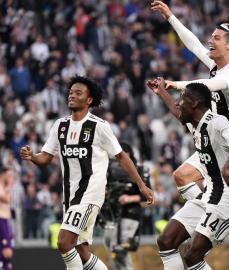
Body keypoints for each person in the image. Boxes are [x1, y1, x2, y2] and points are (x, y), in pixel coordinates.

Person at [151, 2, 229, 269]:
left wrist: (175, 85)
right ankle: (209, 211)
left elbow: (208, 86)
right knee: (181, 175)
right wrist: (170, 17)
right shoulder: (217, 65)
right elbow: (194, 44)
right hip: (214, 142)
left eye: (216, 38)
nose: (210, 40)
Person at [20, 75, 154, 270]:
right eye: (71, 92)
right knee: (81, 250)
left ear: (89, 100)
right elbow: (46, 158)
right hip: (70, 196)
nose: (72, 95)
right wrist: (32, 156)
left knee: (64, 242)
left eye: (78, 93)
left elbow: (122, 157)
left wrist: (142, 185)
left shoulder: (99, 127)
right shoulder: (60, 126)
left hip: (90, 195)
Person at [148, 79, 229, 270]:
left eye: (182, 99)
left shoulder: (215, 121)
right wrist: (161, 91)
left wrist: (227, 168)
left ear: (194, 103)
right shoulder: (194, 122)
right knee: (166, 240)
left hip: (227, 200)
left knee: (191, 255)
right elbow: (178, 113)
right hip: (209, 195)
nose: (178, 104)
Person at [102, 142, 151, 270]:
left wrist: (129, 198)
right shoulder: (111, 169)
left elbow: (148, 195)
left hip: (130, 213)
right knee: (111, 247)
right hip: (113, 214)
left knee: (120, 250)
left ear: (129, 154)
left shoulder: (139, 170)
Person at [0, 167, 15, 270]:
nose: (11, 178)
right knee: (6, 252)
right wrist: (10, 185)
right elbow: (5, 199)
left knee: (9, 251)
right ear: (3, 174)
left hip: (6, 221)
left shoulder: (4, 186)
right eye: (9, 175)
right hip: (1, 221)